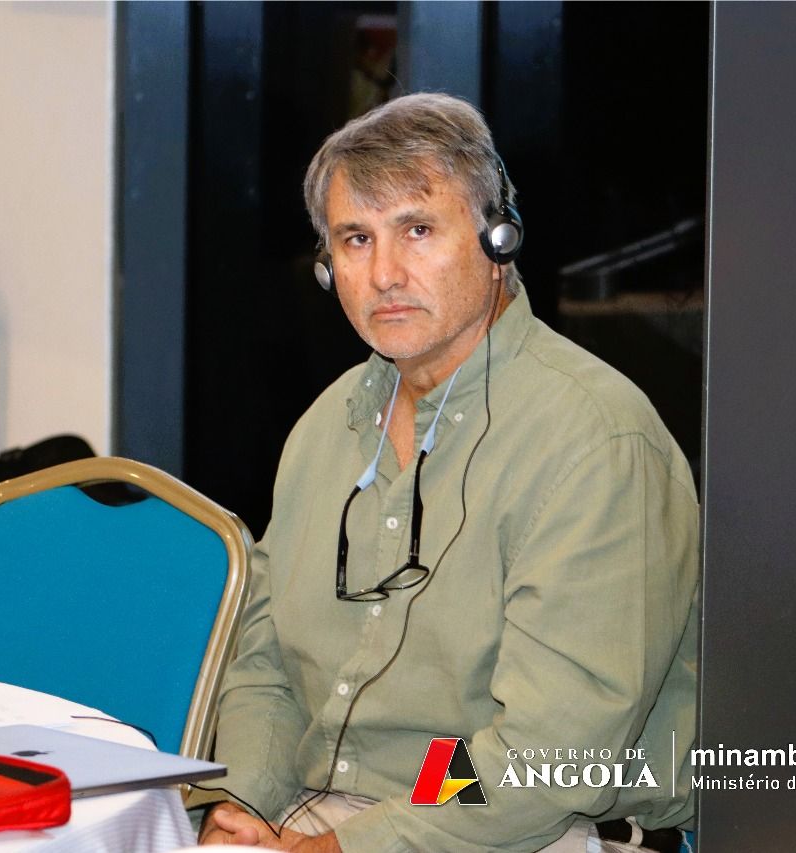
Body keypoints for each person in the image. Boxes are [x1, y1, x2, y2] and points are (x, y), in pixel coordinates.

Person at [197, 93, 700, 852]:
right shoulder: (326, 429)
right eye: (356, 239)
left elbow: (549, 754)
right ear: (329, 269)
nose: (385, 274)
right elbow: (266, 668)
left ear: (498, 239)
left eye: (418, 230)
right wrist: (243, 809)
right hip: (336, 812)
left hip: (540, 829)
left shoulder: (594, 440)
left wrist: (352, 843)